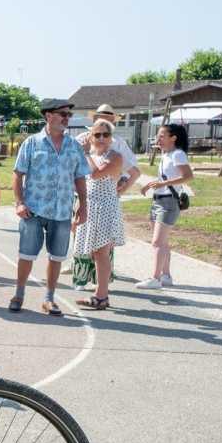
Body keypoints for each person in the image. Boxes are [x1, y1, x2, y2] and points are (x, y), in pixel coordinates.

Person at [10, 98, 89, 316]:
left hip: (62, 211)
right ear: (48, 116)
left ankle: (49, 299)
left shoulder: (74, 146)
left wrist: (83, 205)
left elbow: (80, 177)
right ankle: (18, 295)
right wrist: (19, 203)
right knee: (26, 255)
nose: (67, 118)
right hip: (33, 210)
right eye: (63, 114)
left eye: (69, 115)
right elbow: (17, 174)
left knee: (56, 257)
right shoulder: (32, 143)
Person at [72, 120, 125, 308]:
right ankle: (100, 294)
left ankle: (102, 296)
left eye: (106, 134)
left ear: (111, 138)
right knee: (95, 252)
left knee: (101, 252)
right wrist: (79, 206)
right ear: (90, 137)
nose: (102, 138)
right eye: (97, 134)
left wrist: (85, 153)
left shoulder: (115, 156)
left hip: (105, 208)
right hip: (91, 206)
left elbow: (95, 174)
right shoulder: (91, 156)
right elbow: (82, 182)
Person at [136, 124, 193, 290]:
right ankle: (166, 276)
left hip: (168, 203)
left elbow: (188, 176)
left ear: (173, 138)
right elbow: (166, 178)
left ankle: (155, 278)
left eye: (161, 136)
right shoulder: (166, 154)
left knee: (157, 242)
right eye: (158, 136)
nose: (158, 139)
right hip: (158, 201)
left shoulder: (178, 154)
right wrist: (150, 185)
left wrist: (163, 184)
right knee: (163, 242)